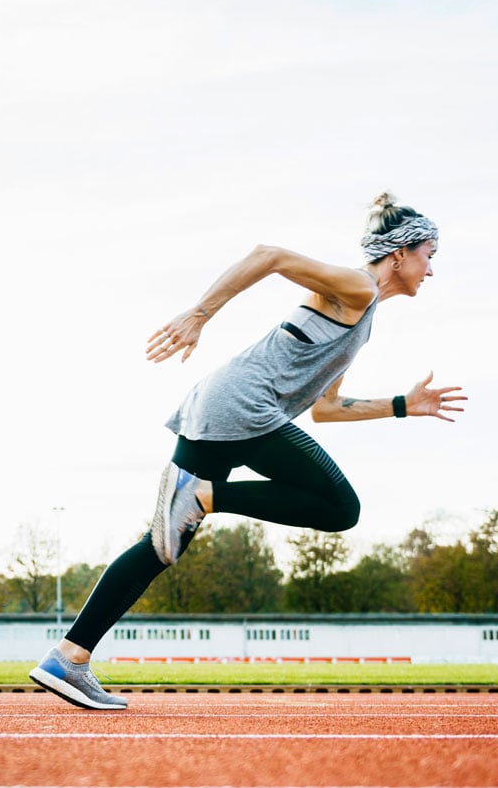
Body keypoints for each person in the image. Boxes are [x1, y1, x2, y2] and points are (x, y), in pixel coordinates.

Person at [29, 193, 467, 710]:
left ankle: (68, 656)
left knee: (162, 545)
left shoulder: (363, 315)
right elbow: (269, 255)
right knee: (340, 508)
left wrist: (400, 405)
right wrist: (198, 315)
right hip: (244, 405)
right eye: (428, 255)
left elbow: (325, 408)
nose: (431, 269)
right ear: (399, 254)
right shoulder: (358, 286)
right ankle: (207, 497)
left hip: (224, 406)